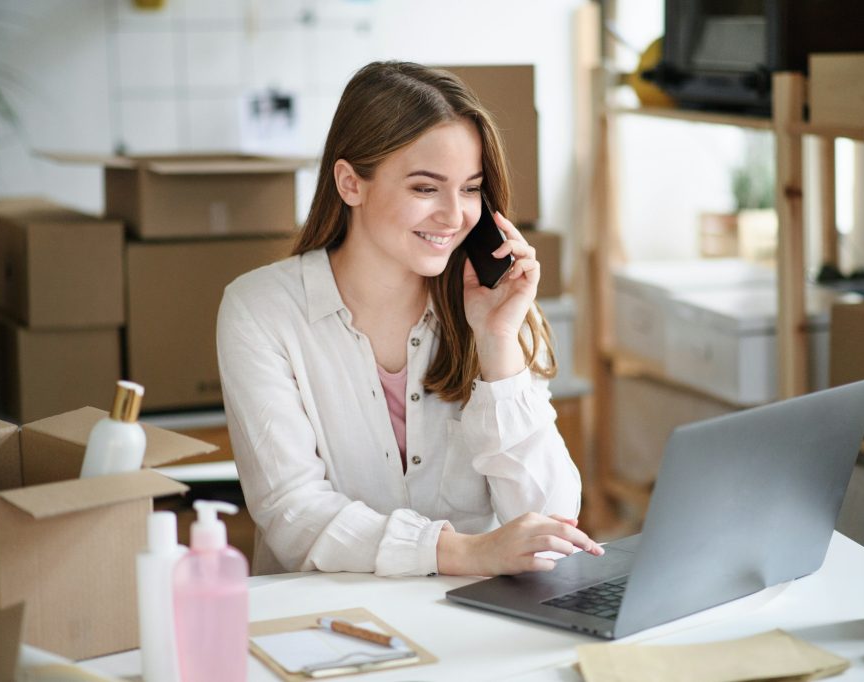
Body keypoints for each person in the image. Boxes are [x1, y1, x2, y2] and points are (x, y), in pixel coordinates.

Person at [217, 61, 602, 578]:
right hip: (327, 622)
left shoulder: (496, 307)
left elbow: (551, 518)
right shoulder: (260, 309)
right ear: (351, 183)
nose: (454, 215)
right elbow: (293, 513)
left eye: (470, 189)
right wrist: (465, 552)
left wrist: (497, 341)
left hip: (473, 617)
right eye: (425, 188)